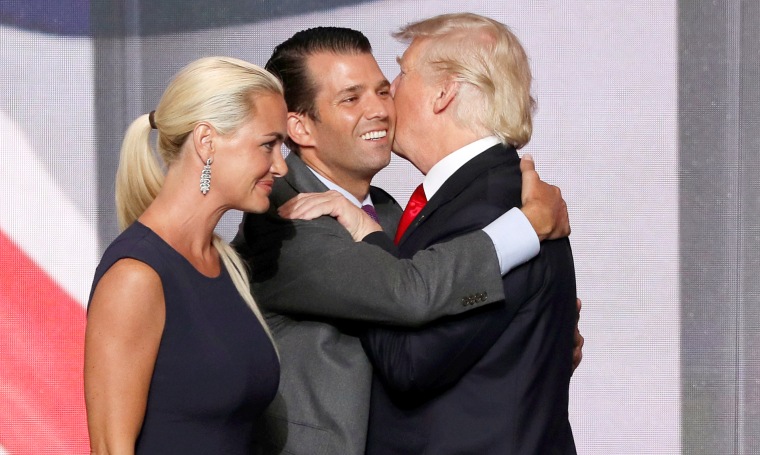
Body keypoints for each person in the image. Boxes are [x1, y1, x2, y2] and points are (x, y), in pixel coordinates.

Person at [233, 27, 576, 455]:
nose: (381, 107)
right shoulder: (285, 221)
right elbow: (405, 292)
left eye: (383, 89)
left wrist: (529, 342)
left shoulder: (396, 212)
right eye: (351, 98)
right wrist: (525, 228)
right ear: (299, 127)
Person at [345, 13, 576, 454]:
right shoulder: (496, 197)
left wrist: (363, 242)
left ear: (444, 91)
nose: (390, 90)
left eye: (402, 71)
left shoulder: (493, 208)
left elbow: (411, 363)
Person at [84, 57, 287, 454]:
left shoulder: (225, 263)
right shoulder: (136, 276)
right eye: (268, 144)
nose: (280, 165)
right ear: (206, 140)